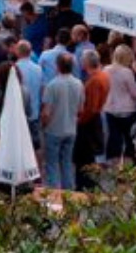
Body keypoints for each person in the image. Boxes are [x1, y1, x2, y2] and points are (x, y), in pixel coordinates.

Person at [41, 53, 85, 191]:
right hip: (71, 129)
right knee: (67, 162)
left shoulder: (52, 85)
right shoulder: (79, 84)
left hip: (54, 129)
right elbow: (80, 109)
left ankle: (54, 193)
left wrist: (44, 124)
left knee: (52, 164)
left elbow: (46, 112)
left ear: (57, 66)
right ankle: (68, 193)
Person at [75, 50, 109, 191]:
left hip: (89, 123)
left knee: (85, 158)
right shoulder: (103, 76)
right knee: (89, 157)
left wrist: (79, 121)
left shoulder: (95, 80)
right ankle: (89, 184)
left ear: (87, 63)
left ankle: (86, 186)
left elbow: (92, 108)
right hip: (94, 120)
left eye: (82, 60)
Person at [104, 44, 136, 162]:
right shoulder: (127, 72)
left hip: (110, 109)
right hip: (128, 110)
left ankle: (112, 169)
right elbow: (135, 93)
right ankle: (128, 170)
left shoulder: (105, 70)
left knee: (113, 141)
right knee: (129, 142)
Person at [14, 41, 43, 146]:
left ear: (17, 52)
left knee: (20, 145)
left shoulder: (14, 68)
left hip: (19, 112)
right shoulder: (38, 69)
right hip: (34, 111)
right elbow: (41, 89)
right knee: (36, 145)